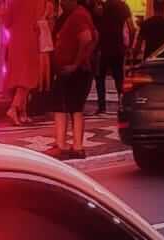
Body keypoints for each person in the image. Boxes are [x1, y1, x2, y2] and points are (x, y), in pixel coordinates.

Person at [50, 0, 96, 158]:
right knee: (75, 108)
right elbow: (94, 37)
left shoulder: (78, 16)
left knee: (62, 106)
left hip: (73, 71)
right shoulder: (80, 14)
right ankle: (76, 146)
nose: (61, 3)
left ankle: (63, 145)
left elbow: (87, 38)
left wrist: (75, 64)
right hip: (77, 69)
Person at [93, 0, 133, 115]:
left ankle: (101, 106)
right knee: (119, 77)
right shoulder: (123, 6)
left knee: (100, 78)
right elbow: (131, 27)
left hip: (102, 47)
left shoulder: (101, 6)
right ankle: (122, 104)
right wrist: (129, 46)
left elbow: (95, 27)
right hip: (117, 47)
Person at [5, 0, 41, 124]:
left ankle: (21, 111)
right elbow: (38, 21)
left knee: (21, 77)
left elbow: (7, 22)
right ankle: (15, 108)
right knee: (27, 78)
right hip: (30, 39)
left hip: (16, 40)